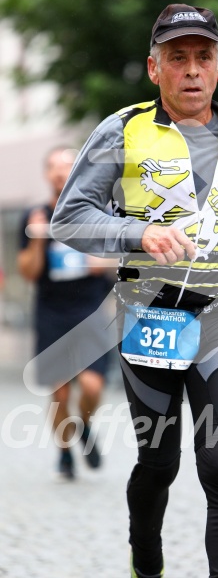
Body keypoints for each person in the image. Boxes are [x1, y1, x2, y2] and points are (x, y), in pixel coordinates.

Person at [51, 4, 218, 578]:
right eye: (177, 58)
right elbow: (70, 217)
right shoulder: (121, 130)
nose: (192, 70)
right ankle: (146, 563)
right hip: (148, 317)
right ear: (155, 70)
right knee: (159, 462)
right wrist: (138, 231)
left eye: (203, 57)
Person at [18, 147, 112, 480]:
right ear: (47, 174)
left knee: (91, 387)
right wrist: (37, 240)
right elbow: (28, 272)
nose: (61, 173)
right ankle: (65, 453)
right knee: (59, 392)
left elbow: (120, 258)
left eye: (67, 167)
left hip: (89, 310)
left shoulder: (97, 213)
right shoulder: (35, 216)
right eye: (55, 168)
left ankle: (84, 425)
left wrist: (98, 261)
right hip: (52, 312)